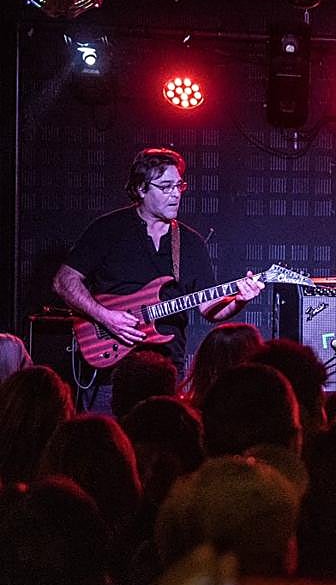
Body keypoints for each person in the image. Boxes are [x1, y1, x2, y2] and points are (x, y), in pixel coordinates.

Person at [52, 148, 264, 412]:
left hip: (165, 371)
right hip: (110, 370)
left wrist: (239, 300)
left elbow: (209, 309)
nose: (175, 194)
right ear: (141, 188)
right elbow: (64, 281)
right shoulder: (108, 229)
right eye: (165, 187)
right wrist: (105, 316)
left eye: (179, 185)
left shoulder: (190, 243)